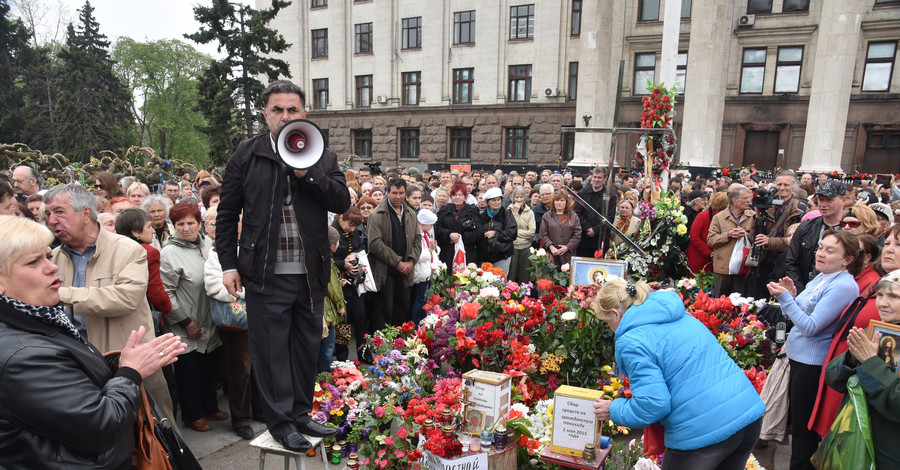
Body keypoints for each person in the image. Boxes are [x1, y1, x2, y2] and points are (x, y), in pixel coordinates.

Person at [216, 80, 349, 452]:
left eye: (292, 110)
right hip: (264, 275)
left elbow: (340, 200)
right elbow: (226, 215)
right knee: (271, 352)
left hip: (310, 274)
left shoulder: (321, 152)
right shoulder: (247, 153)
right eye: (277, 110)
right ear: (265, 113)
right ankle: (279, 422)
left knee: (306, 348)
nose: (285, 116)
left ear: (304, 113)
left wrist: (309, 174)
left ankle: (301, 412)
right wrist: (228, 264)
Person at [0, 215, 186, 469]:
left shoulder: (39, 318)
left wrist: (114, 365)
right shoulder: (21, 355)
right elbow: (101, 425)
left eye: (46, 255)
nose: (51, 266)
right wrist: (130, 372)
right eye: (34, 262)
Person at [591, 280, 765, 470]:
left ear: (616, 314)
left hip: (704, 429)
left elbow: (653, 404)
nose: (610, 328)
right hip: (746, 414)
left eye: (607, 322)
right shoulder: (678, 315)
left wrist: (615, 410)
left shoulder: (632, 340)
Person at [46, 184, 178, 432]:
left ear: (86, 214)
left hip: (133, 361)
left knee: (159, 432)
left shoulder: (128, 250)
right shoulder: (53, 258)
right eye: (48, 214)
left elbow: (125, 297)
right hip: (78, 364)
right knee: (102, 436)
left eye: (59, 212)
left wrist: (60, 294)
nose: (52, 221)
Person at [766, 230, 862, 470]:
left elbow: (810, 327)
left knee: (803, 431)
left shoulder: (843, 286)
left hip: (812, 364)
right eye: (821, 247)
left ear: (847, 259)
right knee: (797, 425)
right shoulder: (822, 277)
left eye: (830, 251)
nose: (820, 254)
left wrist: (787, 299)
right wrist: (793, 297)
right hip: (799, 359)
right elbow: (796, 316)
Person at [808, 224, 900, 438]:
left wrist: (870, 361)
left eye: (898, 244)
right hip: (860, 424)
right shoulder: (876, 295)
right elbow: (837, 376)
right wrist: (852, 358)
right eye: (886, 243)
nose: (888, 249)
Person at [824, 270, 900, 469]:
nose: (882, 303)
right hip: (856, 443)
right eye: (880, 295)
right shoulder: (876, 330)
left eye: (894, 296)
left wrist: (869, 361)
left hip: (888, 454)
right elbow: (833, 378)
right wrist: (851, 359)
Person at [160, 202, 226, 432]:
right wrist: (185, 322)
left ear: (199, 224)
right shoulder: (168, 253)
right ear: (173, 226)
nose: (186, 228)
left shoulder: (207, 243)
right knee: (189, 370)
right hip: (184, 321)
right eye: (180, 224)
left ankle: (209, 407)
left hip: (208, 317)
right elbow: (165, 293)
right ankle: (192, 414)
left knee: (208, 365)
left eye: (190, 223)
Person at [203, 206, 262, 440]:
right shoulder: (217, 253)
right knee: (240, 371)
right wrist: (248, 292)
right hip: (237, 322)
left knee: (260, 368)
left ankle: (260, 410)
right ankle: (241, 419)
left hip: (260, 318)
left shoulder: (255, 247)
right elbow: (214, 287)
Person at [367, 177, 422, 329]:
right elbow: (375, 244)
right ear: (387, 193)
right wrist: (397, 263)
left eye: (401, 193)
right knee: (383, 314)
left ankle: (400, 349)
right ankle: (382, 349)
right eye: (394, 193)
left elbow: (418, 240)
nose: (398, 197)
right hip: (385, 274)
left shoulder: (411, 213)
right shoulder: (377, 214)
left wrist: (411, 261)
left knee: (402, 313)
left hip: (405, 274)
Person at [114, 208, 171, 331]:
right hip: (143, 315)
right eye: (149, 227)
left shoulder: (113, 250)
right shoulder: (148, 252)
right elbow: (155, 291)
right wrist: (167, 308)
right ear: (135, 232)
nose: (153, 231)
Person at [786, 180, 847, 293]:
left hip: (837, 292)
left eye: (829, 200)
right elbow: (791, 261)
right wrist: (802, 292)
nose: (823, 204)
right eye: (820, 200)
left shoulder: (850, 229)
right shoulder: (805, 227)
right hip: (804, 289)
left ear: (843, 200)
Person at [332, 207, 367, 361]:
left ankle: (364, 353)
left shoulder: (353, 231)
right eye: (350, 225)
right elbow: (326, 257)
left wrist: (354, 253)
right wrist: (342, 264)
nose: (353, 228)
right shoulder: (332, 232)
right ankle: (342, 357)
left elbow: (361, 244)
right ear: (340, 218)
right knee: (342, 321)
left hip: (355, 281)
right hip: (339, 281)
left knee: (361, 316)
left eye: (355, 226)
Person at [707, 186, 755, 297]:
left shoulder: (753, 216)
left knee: (740, 303)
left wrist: (747, 236)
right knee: (720, 302)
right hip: (723, 267)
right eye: (746, 198)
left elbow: (759, 239)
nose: (749, 201)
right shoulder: (719, 218)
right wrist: (728, 235)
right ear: (735, 201)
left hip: (743, 267)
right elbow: (711, 240)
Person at [318, 226, 347, 373]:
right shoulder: (326, 261)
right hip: (327, 309)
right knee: (327, 345)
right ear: (330, 245)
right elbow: (331, 286)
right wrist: (340, 304)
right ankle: (323, 376)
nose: (338, 245)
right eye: (336, 242)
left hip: (325, 307)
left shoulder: (323, 257)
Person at [435, 182, 483, 269]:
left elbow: (479, 231)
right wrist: (449, 235)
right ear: (451, 197)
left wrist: (461, 238)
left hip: (466, 252)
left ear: (465, 197)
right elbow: (437, 228)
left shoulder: (472, 211)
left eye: (460, 195)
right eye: (454, 195)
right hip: (447, 252)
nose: (457, 197)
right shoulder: (444, 211)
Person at [575, 167, 617, 258]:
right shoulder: (583, 193)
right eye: (594, 177)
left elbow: (610, 218)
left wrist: (596, 230)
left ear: (605, 179)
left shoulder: (611, 196)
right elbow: (577, 213)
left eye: (599, 178)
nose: (596, 180)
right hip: (583, 238)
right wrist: (587, 228)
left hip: (600, 239)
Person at [478, 187, 517, 275]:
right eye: (493, 200)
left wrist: (496, 234)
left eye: (498, 200)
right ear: (487, 202)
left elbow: (512, 233)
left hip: (502, 255)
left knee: (500, 282)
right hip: (485, 256)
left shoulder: (506, 214)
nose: (496, 202)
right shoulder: (482, 215)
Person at [688, 192, 728, 276]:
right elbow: (694, 237)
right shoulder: (703, 216)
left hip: (717, 259)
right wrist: (709, 253)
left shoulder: (725, 218)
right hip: (700, 256)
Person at [538, 192, 582, 268]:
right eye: (557, 200)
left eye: (562, 200)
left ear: (566, 202)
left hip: (568, 255)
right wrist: (551, 247)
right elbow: (543, 235)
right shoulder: (547, 216)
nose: (559, 203)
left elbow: (577, 234)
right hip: (552, 255)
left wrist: (567, 247)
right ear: (553, 202)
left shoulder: (573, 216)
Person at [411, 209, 439, 324]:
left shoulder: (426, 234)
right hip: (421, 273)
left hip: (428, 272)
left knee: (426, 299)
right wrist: (430, 249)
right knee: (421, 300)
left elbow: (432, 252)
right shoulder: (417, 235)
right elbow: (418, 255)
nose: (432, 227)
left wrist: (434, 248)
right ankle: (416, 322)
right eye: (430, 224)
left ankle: (422, 322)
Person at [509, 187, 536, 283]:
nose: (519, 199)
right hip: (512, 247)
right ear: (513, 198)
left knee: (524, 276)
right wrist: (515, 213)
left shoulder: (530, 212)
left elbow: (531, 232)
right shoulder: (508, 211)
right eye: (517, 197)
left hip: (526, 247)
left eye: (521, 197)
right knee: (511, 274)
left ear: (525, 197)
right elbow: (508, 231)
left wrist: (515, 232)